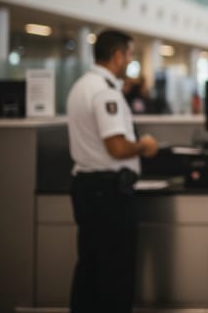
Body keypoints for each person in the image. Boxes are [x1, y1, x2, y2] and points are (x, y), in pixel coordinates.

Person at [67, 29, 159, 312]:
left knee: (91, 269)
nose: (129, 62)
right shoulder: (105, 91)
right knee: (115, 275)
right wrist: (143, 145)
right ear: (117, 56)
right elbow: (116, 147)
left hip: (87, 188)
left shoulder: (81, 86)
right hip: (108, 193)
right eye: (130, 55)